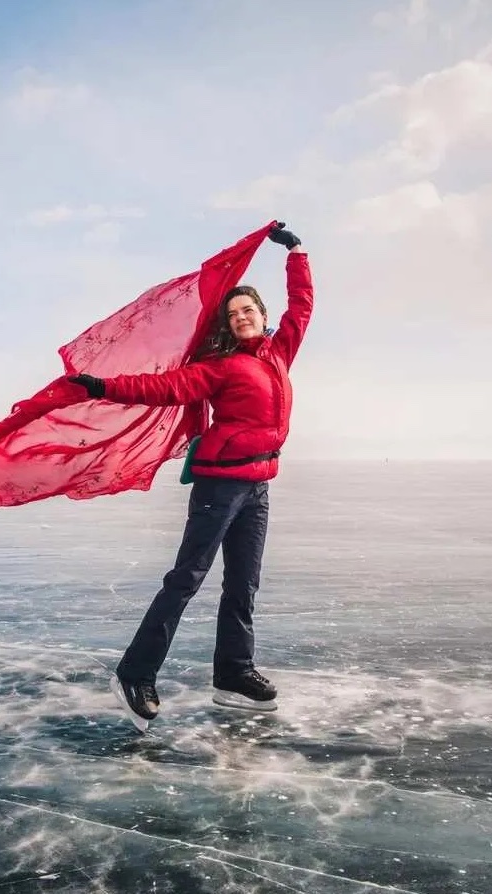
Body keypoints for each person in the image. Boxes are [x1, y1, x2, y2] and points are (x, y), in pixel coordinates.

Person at [68, 222, 314, 730]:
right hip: (219, 485)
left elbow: (304, 306)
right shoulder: (218, 367)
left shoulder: (279, 352)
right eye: (234, 313)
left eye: (250, 311)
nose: (242, 317)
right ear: (228, 324)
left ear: (263, 318)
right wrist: (102, 385)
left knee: (244, 584)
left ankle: (233, 673)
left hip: (258, 487)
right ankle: (135, 673)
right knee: (187, 579)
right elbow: (162, 387)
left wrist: (297, 254)